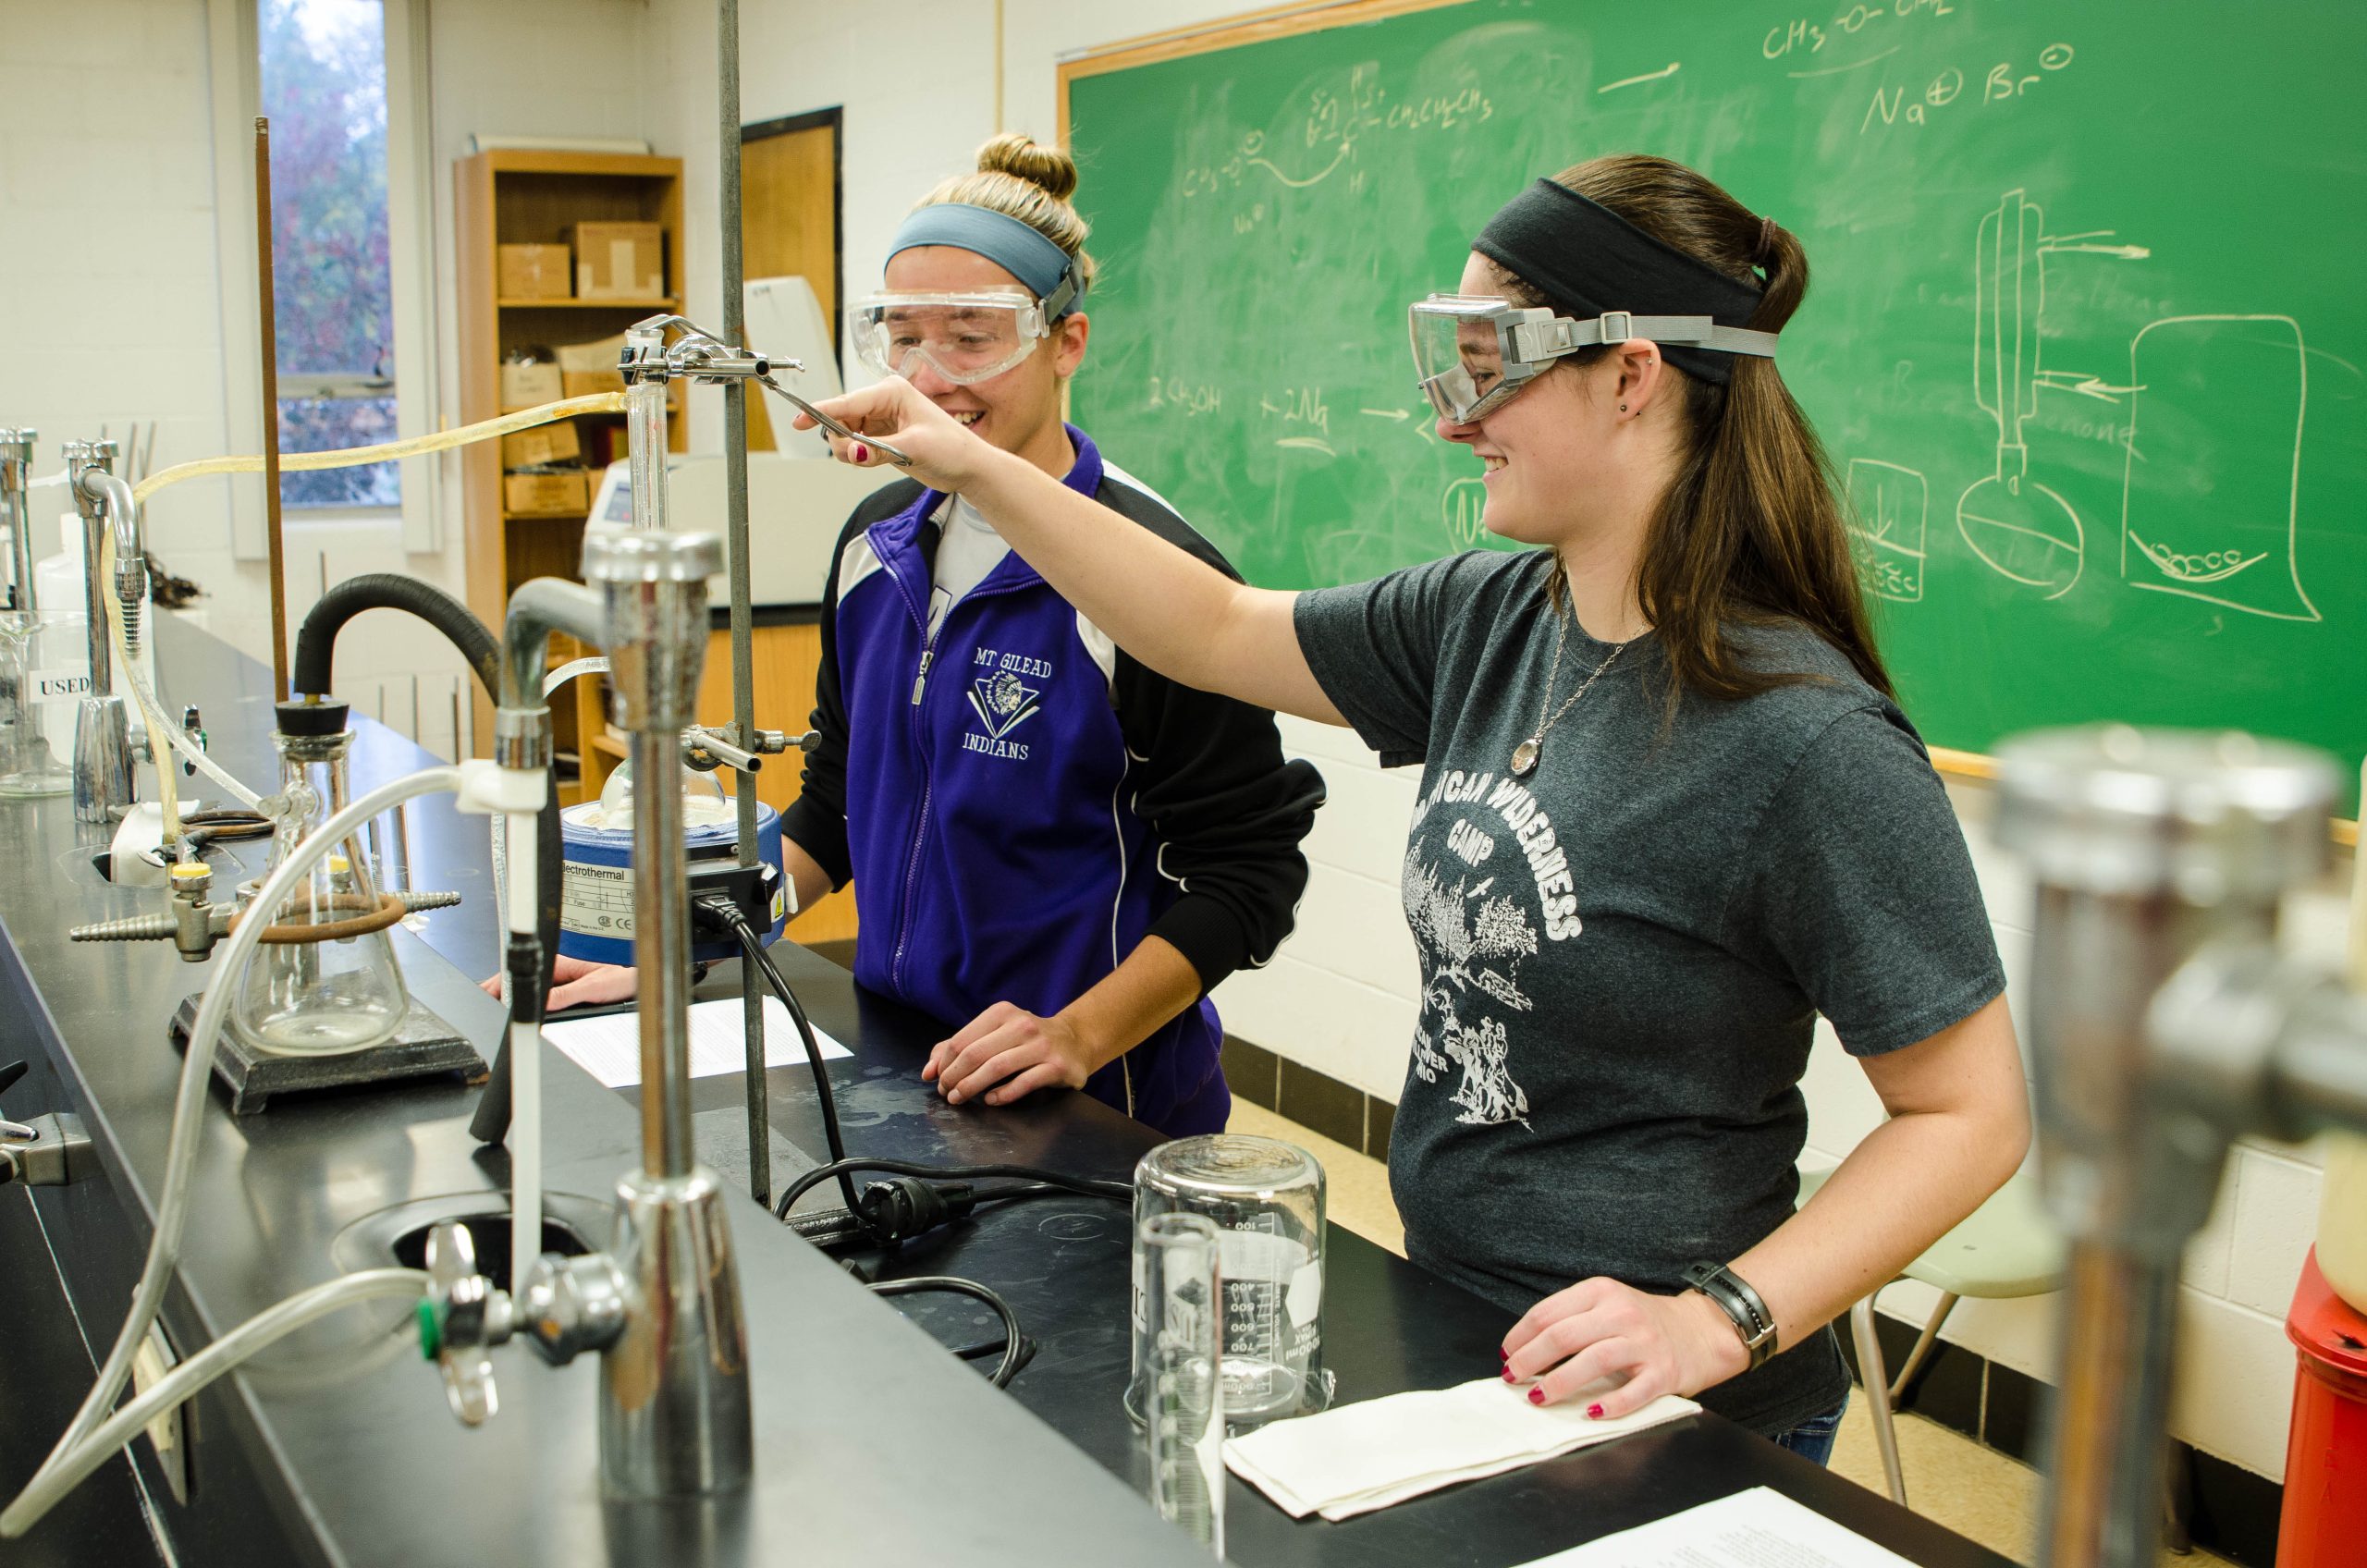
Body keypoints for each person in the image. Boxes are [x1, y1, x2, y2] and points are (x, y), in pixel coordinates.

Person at [795, 153, 2032, 1459]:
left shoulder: (1803, 738)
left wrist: (1713, 1321)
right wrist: (967, 464)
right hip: (1460, 1324)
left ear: (1630, 375)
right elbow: (1211, 626)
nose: (1454, 417)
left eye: (1489, 360)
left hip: (1671, 1399)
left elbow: (1970, 1114)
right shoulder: (1494, 616)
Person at [533, 135, 1323, 1139]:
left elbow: (1248, 870)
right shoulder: (875, 545)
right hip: (904, 1057)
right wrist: (687, 941)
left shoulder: (1154, 579)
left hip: (1094, 1097)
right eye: (902, 336)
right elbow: (838, 799)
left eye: (973, 336)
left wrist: (1076, 1034)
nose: (930, 376)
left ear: (1065, 341)